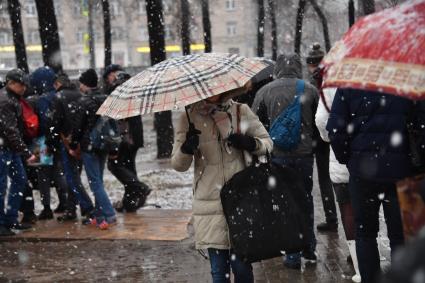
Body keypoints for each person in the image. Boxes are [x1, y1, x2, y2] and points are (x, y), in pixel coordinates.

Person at [171, 94, 273, 283]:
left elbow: (268, 144)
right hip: (209, 201)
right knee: (219, 272)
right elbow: (178, 165)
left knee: (242, 268)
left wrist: (250, 143)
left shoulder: (240, 111)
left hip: (241, 199)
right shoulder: (188, 117)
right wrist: (186, 149)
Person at [327, 88, 415, 282]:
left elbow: (335, 129)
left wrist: (348, 158)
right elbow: (419, 125)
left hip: (363, 172)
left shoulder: (349, 84)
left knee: (365, 233)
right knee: (399, 234)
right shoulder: (404, 81)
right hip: (399, 171)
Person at [251, 53, 319, 269]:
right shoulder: (310, 90)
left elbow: (255, 126)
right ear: (298, 67)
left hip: (277, 156)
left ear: (277, 68)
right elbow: (320, 125)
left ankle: (292, 253)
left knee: (284, 203)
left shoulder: (264, 92)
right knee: (304, 200)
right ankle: (309, 247)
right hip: (304, 156)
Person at [315, 87, 360, 282]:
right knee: (371, 210)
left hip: (342, 160)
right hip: (373, 158)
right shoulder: (376, 74)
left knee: (348, 211)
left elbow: (321, 120)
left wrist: (331, 138)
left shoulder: (332, 83)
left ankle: (360, 265)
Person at [69, 69, 116, 230]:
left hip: (90, 146)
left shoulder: (84, 102)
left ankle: (109, 215)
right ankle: (99, 216)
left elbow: (77, 128)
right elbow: (113, 124)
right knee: (99, 181)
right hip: (104, 145)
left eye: (81, 83)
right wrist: (114, 146)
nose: (80, 86)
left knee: (95, 182)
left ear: (85, 84)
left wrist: (74, 145)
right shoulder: (105, 99)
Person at [47, 73, 94, 221]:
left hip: (67, 142)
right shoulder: (80, 94)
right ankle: (70, 209)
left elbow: (54, 123)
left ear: (57, 84)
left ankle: (88, 208)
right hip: (80, 142)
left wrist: (51, 143)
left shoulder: (58, 97)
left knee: (71, 178)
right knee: (75, 176)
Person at [103, 65, 151, 212]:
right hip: (133, 137)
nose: (110, 79)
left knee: (115, 166)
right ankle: (130, 203)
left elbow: (116, 114)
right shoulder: (134, 89)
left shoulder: (119, 91)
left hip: (125, 137)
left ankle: (140, 188)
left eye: (112, 76)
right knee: (129, 169)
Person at [29, 66, 69, 220]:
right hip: (60, 139)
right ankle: (64, 202)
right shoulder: (59, 95)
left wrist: (48, 139)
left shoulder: (42, 99)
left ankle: (46, 208)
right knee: (59, 172)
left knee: (43, 174)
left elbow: (46, 121)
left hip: (43, 141)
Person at [0, 69, 36, 236]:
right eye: (21, 85)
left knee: (19, 180)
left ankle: (10, 219)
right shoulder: (6, 101)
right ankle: (4, 222)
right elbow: (10, 130)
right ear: (11, 83)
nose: (24, 88)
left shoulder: (12, 99)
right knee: (3, 186)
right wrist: (26, 152)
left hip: (10, 148)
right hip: (5, 149)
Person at [306, 43, 338, 232]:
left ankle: (332, 217)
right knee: (333, 179)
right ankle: (333, 217)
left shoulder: (316, 82)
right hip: (333, 134)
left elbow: (319, 115)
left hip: (321, 137)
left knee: (326, 179)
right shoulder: (331, 77)